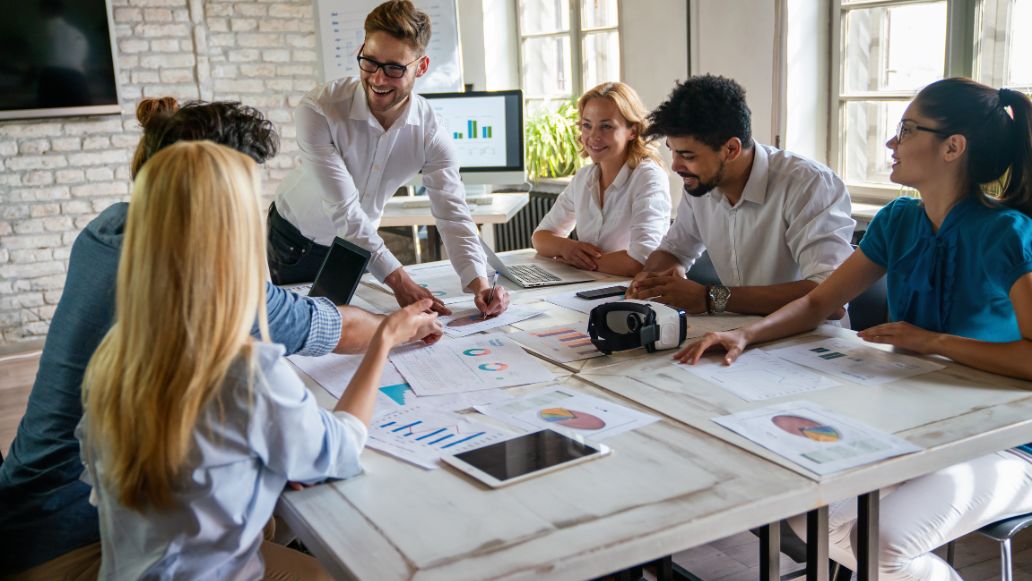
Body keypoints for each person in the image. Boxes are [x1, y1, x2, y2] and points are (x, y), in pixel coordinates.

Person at [0, 98, 441, 578]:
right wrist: (391, 333)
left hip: (48, 517)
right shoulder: (228, 329)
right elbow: (339, 429)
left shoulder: (107, 235)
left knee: (273, 511)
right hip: (74, 542)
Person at [676, 78, 1032, 580]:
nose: (892, 143)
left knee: (881, 544)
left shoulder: (1006, 233)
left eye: (907, 130)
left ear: (953, 147)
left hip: (1005, 440)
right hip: (917, 421)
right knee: (798, 498)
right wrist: (744, 336)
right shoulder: (899, 220)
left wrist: (930, 341)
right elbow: (820, 300)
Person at [269, 0, 508, 318]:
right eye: (369, 62)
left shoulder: (430, 131)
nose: (378, 79)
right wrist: (399, 280)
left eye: (395, 68)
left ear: (421, 67)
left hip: (359, 245)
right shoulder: (320, 109)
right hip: (298, 239)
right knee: (303, 333)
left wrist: (479, 284)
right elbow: (345, 210)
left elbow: (452, 215)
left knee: (348, 330)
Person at [625, 75, 855, 318]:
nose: (675, 166)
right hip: (735, 332)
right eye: (673, 152)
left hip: (807, 343)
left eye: (688, 156)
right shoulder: (700, 183)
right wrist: (648, 279)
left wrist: (711, 298)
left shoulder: (809, 184)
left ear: (731, 149)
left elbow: (832, 298)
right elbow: (675, 250)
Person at [531, 82, 671, 277]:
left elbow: (641, 261)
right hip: (591, 287)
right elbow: (541, 237)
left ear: (633, 131)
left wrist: (578, 263)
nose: (593, 136)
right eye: (587, 125)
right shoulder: (584, 177)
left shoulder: (648, 176)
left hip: (634, 292)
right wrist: (567, 248)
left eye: (606, 126)